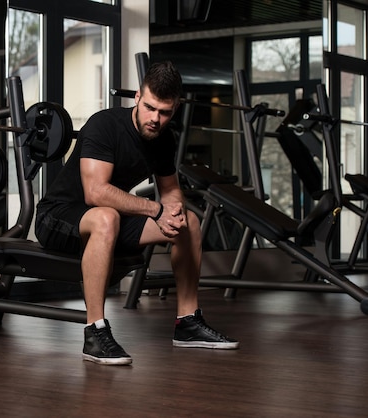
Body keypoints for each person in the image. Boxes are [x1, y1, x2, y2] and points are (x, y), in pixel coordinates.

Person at [34, 61, 239, 366]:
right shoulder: (104, 125)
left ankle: (187, 322)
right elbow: (96, 193)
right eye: (150, 108)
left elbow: (170, 190)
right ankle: (95, 332)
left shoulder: (163, 139)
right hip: (59, 217)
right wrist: (156, 209)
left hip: (109, 221)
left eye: (165, 112)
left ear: (176, 108)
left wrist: (173, 214)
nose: (155, 119)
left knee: (190, 223)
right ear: (137, 97)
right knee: (107, 216)